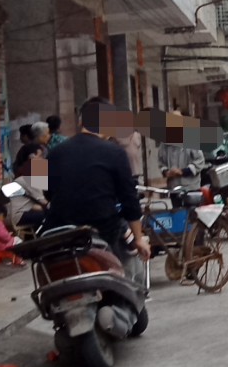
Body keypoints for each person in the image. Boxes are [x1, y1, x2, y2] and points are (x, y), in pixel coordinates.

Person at [43, 97, 150, 268]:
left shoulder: (53, 153)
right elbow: (129, 199)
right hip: (102, 231)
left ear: (80, 121)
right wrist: (138, 239)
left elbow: (46, 192)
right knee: (133, 268)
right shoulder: (115, 152)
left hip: (60, 231)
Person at [158, 111, 206, 191]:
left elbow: (200, 161)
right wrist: (166, 172)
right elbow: (161, 162)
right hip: (173, 186)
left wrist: (183, 171)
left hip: (190, 187)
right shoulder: (164, 143)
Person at [9, 143, 49, 230]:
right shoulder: (28, 179)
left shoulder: (23, 176)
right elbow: (44, 203)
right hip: (21, 216)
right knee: (52, 216)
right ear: (31, 158)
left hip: (20, 214)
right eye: (40, 156)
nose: (44, 159)